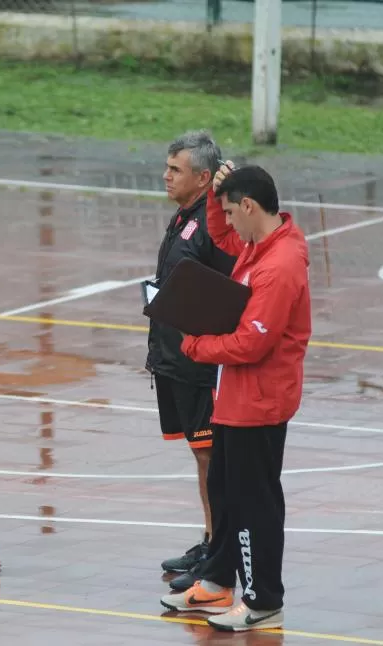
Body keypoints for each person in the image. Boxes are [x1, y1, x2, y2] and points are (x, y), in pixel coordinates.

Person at [160, 162, 311, 632]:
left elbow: (252, 343)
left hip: (259, 403)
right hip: (234, 398)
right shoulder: (257, 246)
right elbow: (223, 237)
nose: (225, 224)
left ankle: (263, 598)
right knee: (224, 491)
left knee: (252, 503)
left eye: (229, 210)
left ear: (248, 206)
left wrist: (195, 346)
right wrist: (214, 196)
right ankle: (218, 581)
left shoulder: (280, 266)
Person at [147, 130, 237, 590]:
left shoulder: (212, 222)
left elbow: (219, 291)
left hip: (200, 364)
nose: (165, 176)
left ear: (204, 177)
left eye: (175, 169)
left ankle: (220, 552)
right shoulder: (185, 216)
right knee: (200, 456)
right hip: (174, 359)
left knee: (210, 457)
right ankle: (210, 540)